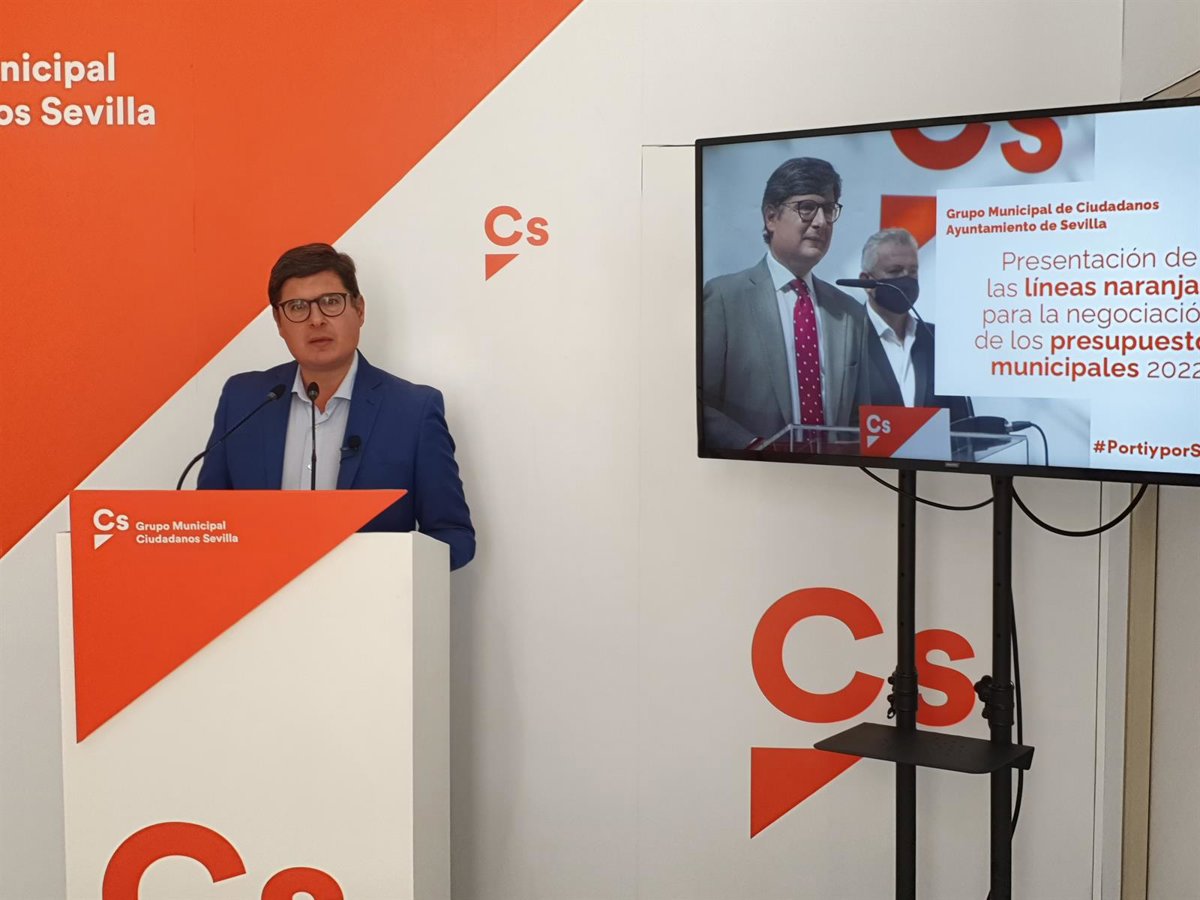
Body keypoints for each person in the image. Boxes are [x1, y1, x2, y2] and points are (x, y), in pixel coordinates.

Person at [198, 243, 475, 569]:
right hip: (259, 597)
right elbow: (207, 524)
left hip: (370, 597)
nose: (316, 320)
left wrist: (384, 570)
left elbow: (454, 536)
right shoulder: (244, 400)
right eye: (297, 307)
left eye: (330, 302)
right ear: (279, 322)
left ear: (359, 310)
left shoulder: (413, 411)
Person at [702, 157, 871, 449]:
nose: (820, 222)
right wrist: (754, 447)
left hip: (835, 475)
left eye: (828, 209)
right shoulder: (725, 299)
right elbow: (696, 401)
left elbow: (861, 419)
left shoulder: (849, 313)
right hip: (751, 473)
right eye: (807, 207)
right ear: (771, 216)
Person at [857, 228, 971, 423]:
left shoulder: (937, 340)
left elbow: (962, 424)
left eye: (912, 271)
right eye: (895, 271)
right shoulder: (847, 337)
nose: (906, 279)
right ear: (867, 282)